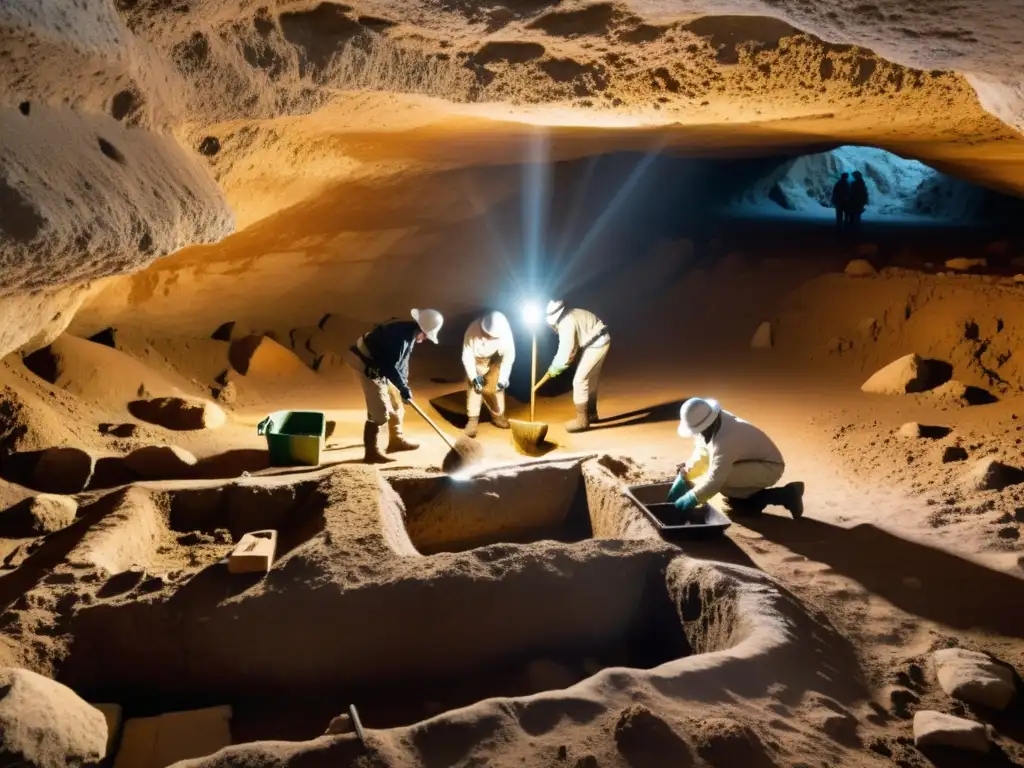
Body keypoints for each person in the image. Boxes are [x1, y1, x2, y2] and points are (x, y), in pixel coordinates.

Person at [666, 397, 804, 518]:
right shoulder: (715, 424)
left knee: (721, 481)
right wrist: (686, 475)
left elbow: (715, 480)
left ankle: (787, 494)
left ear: (707, 424)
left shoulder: (726, 440)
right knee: (734, 501)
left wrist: (692, 498)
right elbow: (702, 453)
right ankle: (752, 503)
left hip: (769, 467)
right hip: (749, 462)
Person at [345, 308, 443, 464]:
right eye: (426, 336)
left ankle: (396, 441)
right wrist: (403, 387)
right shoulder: (398, 338)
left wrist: (403, 387)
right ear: (422, 329)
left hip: (382, 364)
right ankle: (371, 452)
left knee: (397, 403)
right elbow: (389, 367)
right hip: (365, 363)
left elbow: (401, 364)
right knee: (380, 412)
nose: (425, 339)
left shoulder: (410, 334)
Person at [544, 299, 610, 433]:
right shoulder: (570, 315)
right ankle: (591, 414)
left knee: (580, 380)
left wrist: (553, 369)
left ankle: (582, 420)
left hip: (597, 344)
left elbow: (566, 351)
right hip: (598, 339)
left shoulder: (565, 323)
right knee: (590, 379)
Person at [462, 310, 515, 437]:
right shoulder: (472, 329)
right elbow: (467, 355)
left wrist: (502, 380)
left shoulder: (505, 334)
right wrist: (474, 377)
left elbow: (509, 358)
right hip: (477, 360)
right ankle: (473, 420)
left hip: (495, 360)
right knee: (475, 388)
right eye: (486, 334)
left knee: (496, 389)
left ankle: (498, 416)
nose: (488, 337)